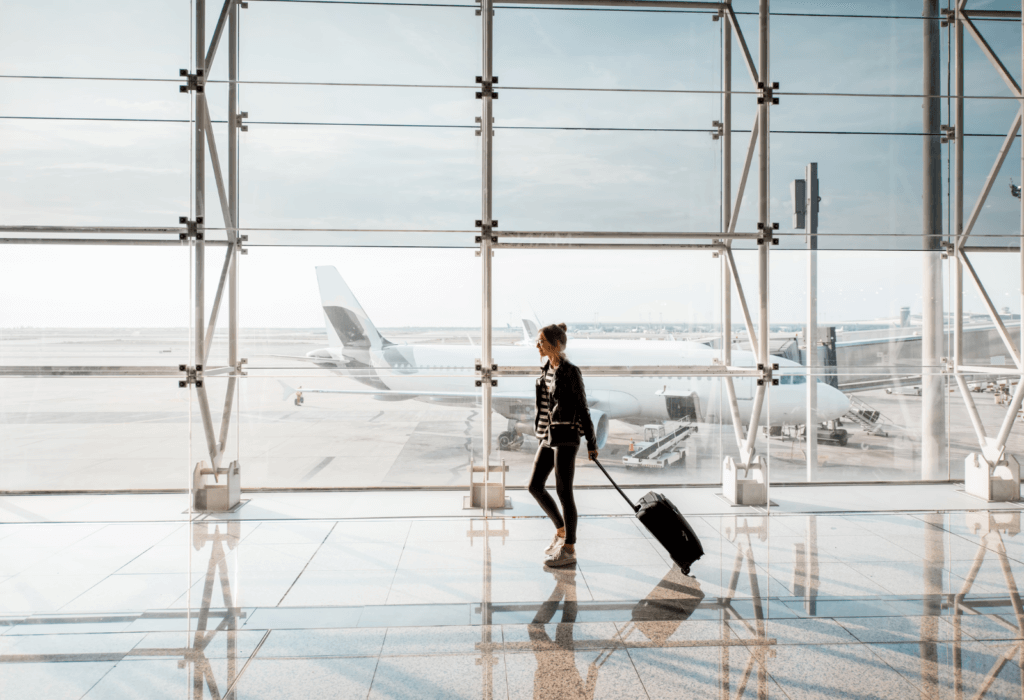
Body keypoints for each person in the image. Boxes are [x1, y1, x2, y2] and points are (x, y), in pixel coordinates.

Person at [529, 323, 598, 568]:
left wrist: (591, 441)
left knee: (563, 491)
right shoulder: (546, 369)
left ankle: (569, 548)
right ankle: (561, 531)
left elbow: (582, 406)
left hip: (566, 436)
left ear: (555, 345)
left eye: (541, 341)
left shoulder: (570, 371)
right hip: (549, 435)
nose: (537, 344)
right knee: (535, 486)